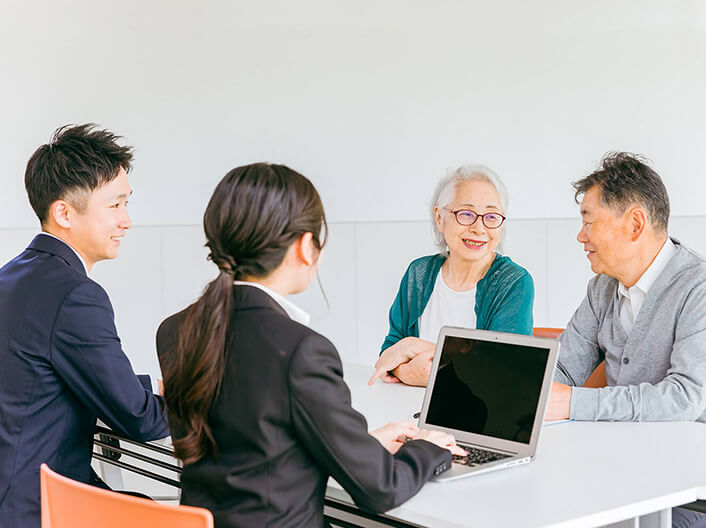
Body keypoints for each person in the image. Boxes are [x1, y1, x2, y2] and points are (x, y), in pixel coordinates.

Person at [157, 163, 464, 528]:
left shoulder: (175, 330)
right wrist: (429, 449)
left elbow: (255, 445)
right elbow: (380, 489)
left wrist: (361, 445)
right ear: (305, 246)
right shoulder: (301, 350)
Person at [546, 152, 706, 528]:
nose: (581, 236)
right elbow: (561, 370)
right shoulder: (602, 289)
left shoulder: (702, 287)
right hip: (630, 459)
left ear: (635, 223)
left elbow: (683, 399)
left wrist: (570, 403)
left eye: (588, 222)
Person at [0, 124, 169, 528]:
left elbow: (45, 378)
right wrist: (201, 399)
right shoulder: (76, 295)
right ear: (64, 213)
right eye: (115, 206)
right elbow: (141, 420)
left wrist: (149, 386)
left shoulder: (12, 277)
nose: (126, 221)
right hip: (38, 508)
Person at [369, 164, 534, 387]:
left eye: (491, 216)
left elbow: (500, 368)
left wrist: (413, 347)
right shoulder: (419, 274)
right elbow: (389, 354)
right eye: (466, 214)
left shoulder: (513, 282)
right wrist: (408, 371)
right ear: (439, 217)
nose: (479, 228)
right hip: (408, 409)